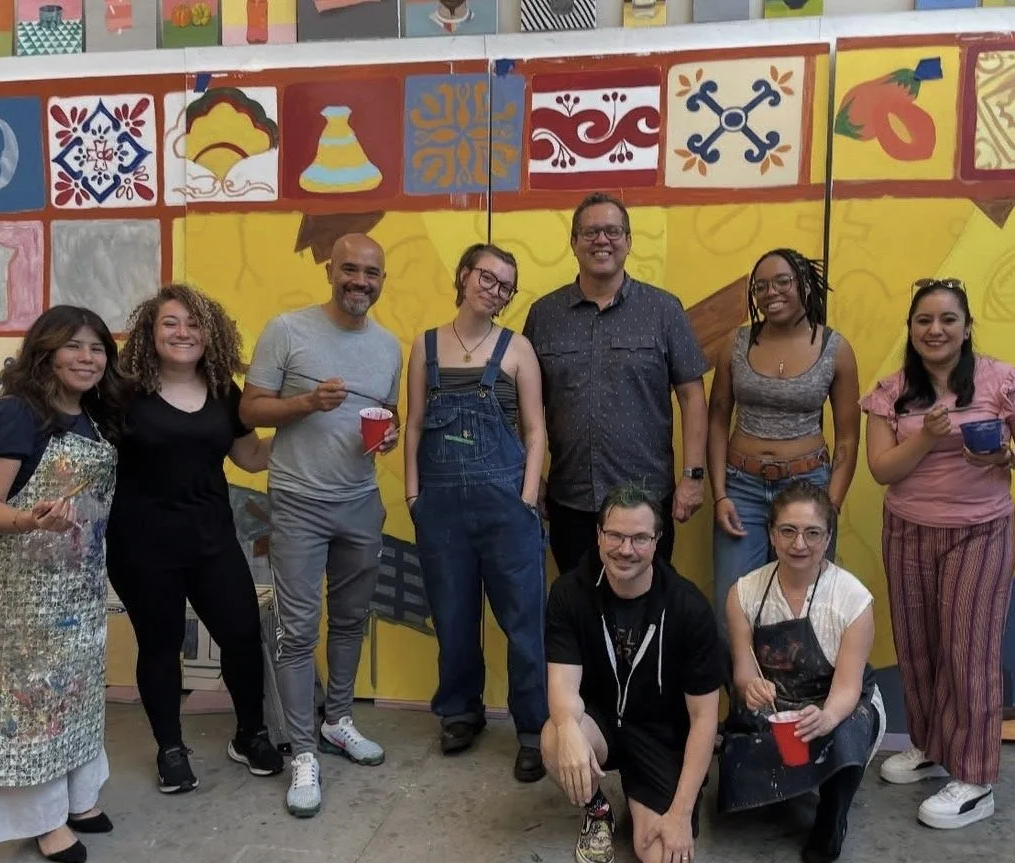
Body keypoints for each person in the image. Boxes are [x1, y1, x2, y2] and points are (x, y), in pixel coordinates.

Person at [861, 278, 1015, 830]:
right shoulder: (891, 393)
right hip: (908, 531)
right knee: (918, 646)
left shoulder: (1001, 380)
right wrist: (924, 437)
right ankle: (928, 746)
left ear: (967, 327)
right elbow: (882, 470)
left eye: (947, 319)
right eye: (924, 320)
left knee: (969, 649)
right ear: (911, 330)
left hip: (981, 531)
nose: (936, 330)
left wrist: (1009, 458)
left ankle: (975, 776)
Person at [0, 305, 127, 863]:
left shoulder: (93, 419)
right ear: (45, 352)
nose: (87, 358)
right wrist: (32, 519)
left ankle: (79, 799)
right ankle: (41, 820)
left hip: (74, 585)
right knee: (30, 705)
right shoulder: (13, 416)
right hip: (15, 589)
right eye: (73, 346)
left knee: (73, 696)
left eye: (97, 348)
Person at [241, 233, 402, 819]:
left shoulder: (388, 346)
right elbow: (251, 408)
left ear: (383, 280)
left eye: (372, 273)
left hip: (360, 499)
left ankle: (337, 721)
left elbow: (389, 415)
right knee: (296, 629)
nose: (361, 281)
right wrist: (306, 404)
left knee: (353, 617)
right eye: (351, 270)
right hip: (299, 501)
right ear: (331, 271)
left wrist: (391, 434)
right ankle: (302, 753)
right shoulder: (288, 329)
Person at [108, 284, 282, 795]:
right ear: (150, 331)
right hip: (141, 546)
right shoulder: (122, 392)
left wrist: (305, 425)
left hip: (210, 541)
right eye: (170, 323)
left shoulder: (225, 390)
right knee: (161, 648)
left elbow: (249, 458)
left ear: (211, 334)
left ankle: (249, 734)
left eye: (193, 324)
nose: (183, 332)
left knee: (243, 637)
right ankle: (171, 748)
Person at [404, 244, 549, 781]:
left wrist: (529, 496)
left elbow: (535, 430)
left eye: (506, 286)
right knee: (453, 613)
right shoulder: (425, 346)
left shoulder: (518, 349)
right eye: (487, 278)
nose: (495, 290)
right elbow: (415, 423)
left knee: (524, 621)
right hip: (439, 503)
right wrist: (414, 496)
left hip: (507, 502)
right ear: (464, 276)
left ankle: (534, 727)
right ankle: (461, 711)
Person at [540, 484, 724, 863]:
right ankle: (598, 810)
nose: (626, 549)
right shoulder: (570, 592)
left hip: (660, 736)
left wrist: (679, 814)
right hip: (602, 723)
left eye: (640, 538)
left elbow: (704, 719)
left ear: (657, 541)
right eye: (616, 535)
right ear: (599, 535)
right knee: (555, 735)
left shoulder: (688, 607)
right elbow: (562, 687)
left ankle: (649, 802)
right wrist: (570, 729)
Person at [523, 193, 709, 574]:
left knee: (644, 608)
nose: (601, 240)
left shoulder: (663, 309)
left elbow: (692, 397)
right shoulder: (544, 315)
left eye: (612, 231)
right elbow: (524, 406)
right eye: (590, 232)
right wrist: (531, 476)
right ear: (573, 243)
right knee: (579, 611)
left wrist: (692, 475)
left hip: (647, 499)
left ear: (628, 241)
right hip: (570, 497)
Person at [719, 482, 884, 863]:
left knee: (846, 729)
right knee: (734, 783)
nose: (799, 544)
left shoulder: (852, 599)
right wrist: (752, 687)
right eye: (788, 531)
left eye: (813, 533)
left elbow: (847, 687)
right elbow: (742, 672)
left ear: (828, 538)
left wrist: (826, 717)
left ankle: (832, 818)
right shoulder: (744, 593)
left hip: (835, 702)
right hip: (778, 705)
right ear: (772, 535)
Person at [708, 249, 860, 625]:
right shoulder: (737, 343)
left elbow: (847, 440)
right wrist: (720, 494)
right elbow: (716, 420)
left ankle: (796, 688)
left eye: (782, 282)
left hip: (808, 487)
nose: (770, 292)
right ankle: (746, 686)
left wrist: (831, 507)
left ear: (804, 284)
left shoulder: (834, 349)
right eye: (760, 286)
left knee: (802, 610)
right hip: (742, 489)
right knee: (734, 612)